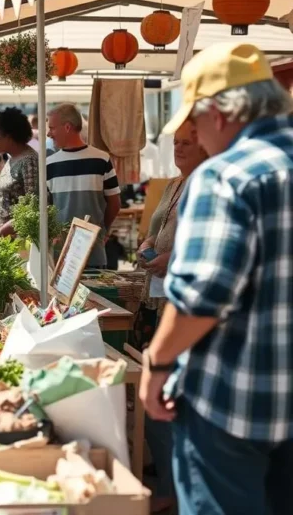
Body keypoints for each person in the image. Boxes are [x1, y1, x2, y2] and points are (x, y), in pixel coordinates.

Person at [139, 43, 293, 515]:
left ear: (220, 115)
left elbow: (200, 299)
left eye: (196, 123)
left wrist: (157, 364)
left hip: (229, 408)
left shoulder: (224, 176)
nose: (198, 138)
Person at [128, 119, 208, 514]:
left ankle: (178, 491)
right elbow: (158, 227)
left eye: (187, 143)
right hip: (154, 296)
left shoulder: (206, 184)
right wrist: (147, 243)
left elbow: (204, 244)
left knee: (168, 397)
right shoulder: (175, 184)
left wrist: (170, 258)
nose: (179, 148)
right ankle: (169, 483)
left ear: (205, 145)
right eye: (176, 142)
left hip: (177, 300)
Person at [46, 103, 120, 268]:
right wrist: (102, 231)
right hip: (61, 254)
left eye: (52, 128)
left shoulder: (102, 159)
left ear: (67, 127)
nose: (48, 133)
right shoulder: (49, 164)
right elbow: (46, 208)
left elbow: (115, 203)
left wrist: (102, 231)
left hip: (89, 252)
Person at [0, 108, 41, 236]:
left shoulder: (29, 161)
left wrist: (4, 230)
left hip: (20, 240)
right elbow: (10, 199)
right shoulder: (11, 159)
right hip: (7, 238)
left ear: (10, 136)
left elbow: (33, 205)